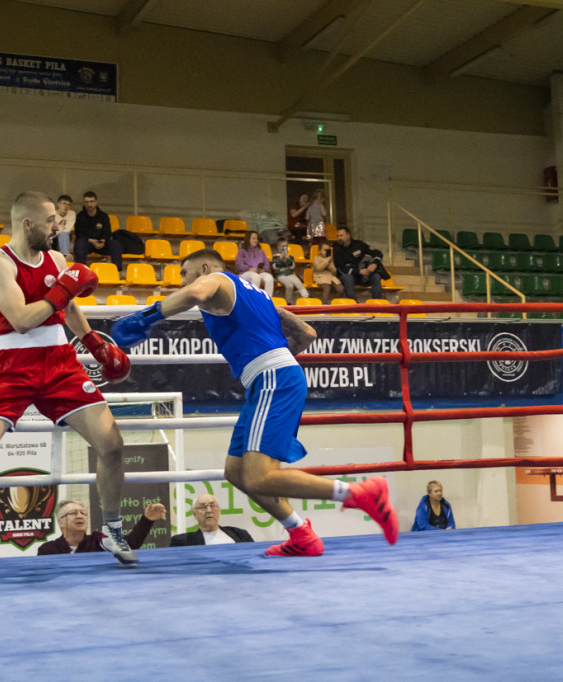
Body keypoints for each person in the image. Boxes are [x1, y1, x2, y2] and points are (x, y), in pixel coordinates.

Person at [111, 249, 399, 556]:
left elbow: (194, 291)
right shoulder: (258, 296)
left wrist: (148, 315)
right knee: (236, 473)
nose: (181, 280)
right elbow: (307, 333)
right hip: (269, 379)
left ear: (205, 268)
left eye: (184, 272)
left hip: (273, 379)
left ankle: (359, 493)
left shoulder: (217, 280)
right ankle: (301, 535)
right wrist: (275, 359)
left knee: (260, 476)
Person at [0, 192, 138, 566]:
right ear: (28, 225)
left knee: (112, 444)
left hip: (60, 362)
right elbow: (22, 320)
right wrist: (62, 290)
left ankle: (111, 527)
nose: (57, 226)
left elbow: (70, 306)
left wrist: (93, 344)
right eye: (49, 221)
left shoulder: (57, 258)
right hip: (13, 364)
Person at [37, 499, 166, 555]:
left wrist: (147, 520)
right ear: (60, 522)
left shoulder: (99, 541)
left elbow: (130, 544)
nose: (79, 516)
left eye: (83, 513)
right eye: (73, 513)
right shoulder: (47, 551)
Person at [170, 493, 254, 546]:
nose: (209, 510)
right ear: (194, 514)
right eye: (203, 507)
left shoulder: (240, 535)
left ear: (219, 510)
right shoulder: (183, 541)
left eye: (212, 505)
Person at [73, 190, 123, 275]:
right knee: (80, 243)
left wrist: (103, 240)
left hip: (101, 243)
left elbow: (107, 232)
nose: (89, 204)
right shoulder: (80, 217)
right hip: (88, 243)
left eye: (91, 201)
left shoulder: (103, 216)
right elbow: (79, 234)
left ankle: (117, 271)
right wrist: (91, 241)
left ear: (96, 202)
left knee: (115, 244)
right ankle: (80, 271)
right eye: (87, 202)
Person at [333, 226, 388, 301]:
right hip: (348, 275)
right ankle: (353, 304)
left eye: (341, 235)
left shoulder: (359, 244)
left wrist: (375, 263)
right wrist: (359, 271)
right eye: (338, 236)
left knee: (376, 276)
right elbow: (340, 267)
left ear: (348, 235)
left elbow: (377, 253)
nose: (339, 238)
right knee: (348, 278)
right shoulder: (337, 248)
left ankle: (377, 303)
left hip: (363, 276)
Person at [236, 230, 273, 296]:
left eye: (257, 238)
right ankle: (254, 299)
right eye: (253, 238)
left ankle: (268, 300)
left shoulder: (261, 251)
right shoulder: (242, 251)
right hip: (245, 273)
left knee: (269, 277)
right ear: (248, 239)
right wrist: (249, 269)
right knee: (255, 276)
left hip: (259, 273)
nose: (256, 240)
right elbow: (239, 265)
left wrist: (263, 269)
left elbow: (267, 263)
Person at [271, 237, 307, 304]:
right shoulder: (275, 256)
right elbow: (274, 267)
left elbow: (292, 267)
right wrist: (280, 258)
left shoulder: (290, 256)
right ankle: (288, 302)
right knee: (289, 285)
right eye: (283, 246)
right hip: (280, 275)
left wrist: (289, 259)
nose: (285, 248)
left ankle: (306, 298)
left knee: (299, 283)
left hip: (290, 274)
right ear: (279, 247)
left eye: (286, 246)